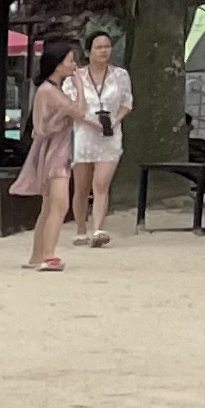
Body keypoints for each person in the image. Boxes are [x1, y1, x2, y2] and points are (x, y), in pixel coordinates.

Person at [15, 34, 83, 272]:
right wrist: (80, 89)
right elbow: (78, 113)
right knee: (59, 206)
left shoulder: (50, 89)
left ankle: (38, 254)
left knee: (49, 207)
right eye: (70, 61)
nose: (74, 66)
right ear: (58, 64)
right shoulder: (50, 91)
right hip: (56, 153)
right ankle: (48, 254)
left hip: (54, 151)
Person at [69, 29, 131, 248]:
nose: (104, 51)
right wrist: (89, 121)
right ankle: (80, 228)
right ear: (89, 51)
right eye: (99, 47)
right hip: (85, 133)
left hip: (109, 134)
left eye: (107, 46)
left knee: (101, 184)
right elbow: (70, 106)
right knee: (82, 187)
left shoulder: (120, 75)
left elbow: (127, 102)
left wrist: (115, 120)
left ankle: (98, 228)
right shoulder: (76, 77)